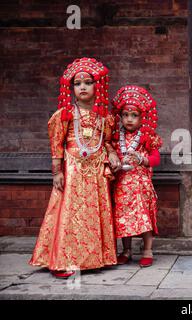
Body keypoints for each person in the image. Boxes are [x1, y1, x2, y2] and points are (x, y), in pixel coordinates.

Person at [29, 58, 121, 278]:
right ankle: (63, 262)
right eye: (77, 83)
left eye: (88, 82)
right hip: (73, 169)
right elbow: (56, 144)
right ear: (71, 89)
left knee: (93, 214)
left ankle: (93, 259)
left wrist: (112, 153)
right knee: (70, 214)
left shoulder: (106, 117)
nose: (82, 87)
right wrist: (57, 172)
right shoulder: (65, 114)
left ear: (97, 86)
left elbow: (107, 141)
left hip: (96, 170)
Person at [111, 85, 162, 267]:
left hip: (141, 185)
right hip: (122, 185)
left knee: (143, 217)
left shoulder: (148, 136)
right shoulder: (117, 137)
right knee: (123, 218)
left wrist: (142, 158)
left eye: (134, 115)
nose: (129, 119)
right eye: (125, 115)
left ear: (142, 117)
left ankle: (147, 250)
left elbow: (156, 159)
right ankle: (126, 250)